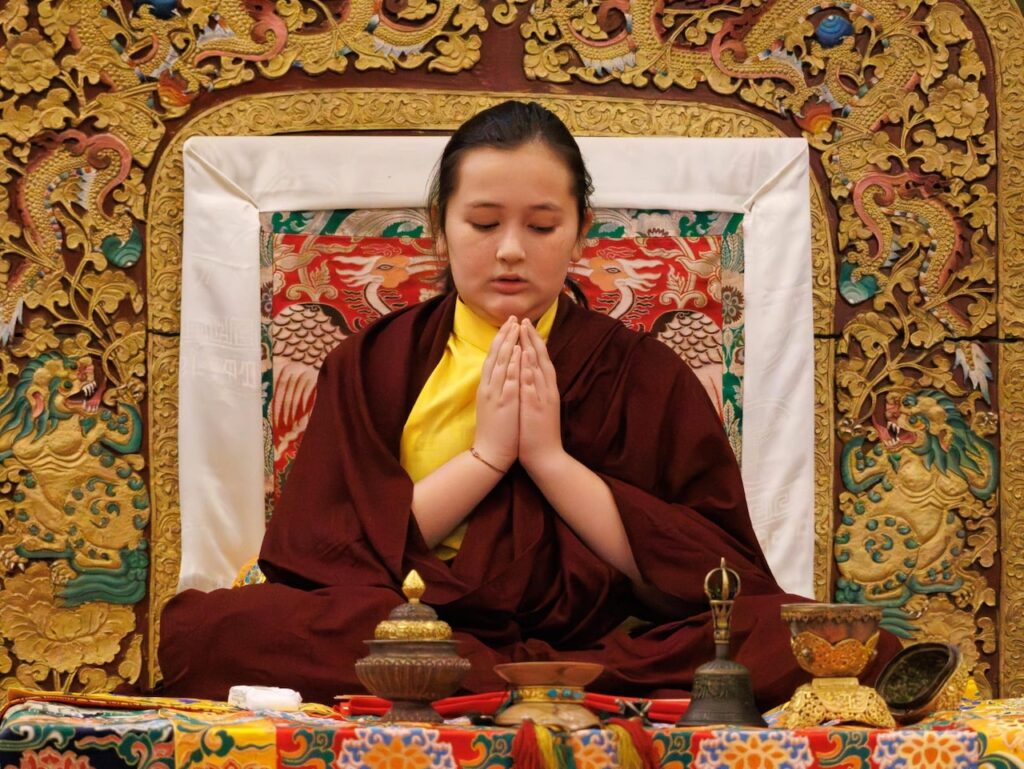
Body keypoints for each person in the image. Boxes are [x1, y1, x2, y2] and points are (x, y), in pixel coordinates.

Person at [158, 101, 897, 707]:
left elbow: (712, 574)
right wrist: (487, 458)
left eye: (541, 226)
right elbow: (328, 554)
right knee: (214, 630)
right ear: (439, 229)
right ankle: (537, 685)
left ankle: (502, 684)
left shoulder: (642, 373)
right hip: (417, 632)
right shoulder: (376, 362)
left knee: (806, 635)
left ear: (580, 233)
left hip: (607, 637)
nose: (511, 249)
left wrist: (549, 460)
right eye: (483, 223)